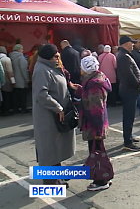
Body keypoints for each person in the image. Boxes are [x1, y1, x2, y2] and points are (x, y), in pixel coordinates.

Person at [32, 44, 75, 186]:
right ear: (47, 56)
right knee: (49, 149)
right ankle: (50, 184)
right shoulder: (42, 70)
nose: (58, 58)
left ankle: (58, 178)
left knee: (56, 147)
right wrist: (57, 107)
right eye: (55, 56)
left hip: (56, 115)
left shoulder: (50, 67)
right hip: (48, 116)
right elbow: (41, 93)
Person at [72, 56, 113, 191]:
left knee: (96, 152)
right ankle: (103, 177)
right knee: (97, 151)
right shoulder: (95, 79)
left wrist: (97, 131)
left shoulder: (94, 84)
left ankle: (101, 180)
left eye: (82, 67)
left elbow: (97, 108)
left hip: (95, 125)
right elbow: (87, 95)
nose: (80, 69)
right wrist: (77, 88)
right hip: (95, 124)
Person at [116, 36, 140, 152]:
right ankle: (128, 141)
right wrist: (138, 84)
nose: (133, 45)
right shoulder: (123, 56)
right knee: (128, 116)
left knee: (129, 116)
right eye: (132, 43)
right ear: (126, 43)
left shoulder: (123, 55)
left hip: (128, 89)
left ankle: (129, 137)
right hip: (129, 90)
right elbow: (129, 75)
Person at [9, 44, 30, 114]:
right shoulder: (21, 58)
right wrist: (27, 79)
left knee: (15, 96)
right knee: (23, 96)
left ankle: (16, 109)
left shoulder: (10, 57)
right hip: (21, 80)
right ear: (18, 50)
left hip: (14, 80)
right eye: (21, 49)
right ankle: (23, 109)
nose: (22, 50)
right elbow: (24, 69)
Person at [0, 46, 14, 116]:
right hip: (6, 80)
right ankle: (6, 110)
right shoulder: (6, 59)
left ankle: (2, 110)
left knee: (1, 96)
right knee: (7, 96)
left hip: (0, 82)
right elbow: (9, 71)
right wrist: (13, 81)